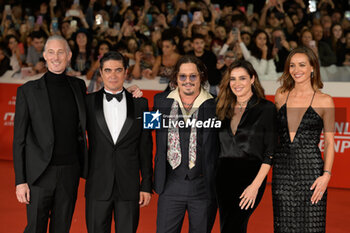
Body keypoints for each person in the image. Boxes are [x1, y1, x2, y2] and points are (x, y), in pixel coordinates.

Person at [13, 35, 88, 233]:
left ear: (69, 55)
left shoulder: (79, 86)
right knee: (35, 228)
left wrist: (128, 92)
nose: (56, 57)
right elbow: (19, 140)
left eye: (61, 52)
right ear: (44, 55)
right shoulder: (27, 91)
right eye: (51, 52)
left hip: (70, 172)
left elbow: (100, 103)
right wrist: (20, 181)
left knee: (61, 229)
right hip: (39, 175)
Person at [85, 51, 153, 233]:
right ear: (100, 72)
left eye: (118, 70)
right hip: (97, 186)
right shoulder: (87, 103)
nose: (113, 75)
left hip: (130, 187)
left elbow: (146, 147)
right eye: (108, 70)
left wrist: (146, 184)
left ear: (126, 72)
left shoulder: (142, 104)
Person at [153, 55, 219, 233]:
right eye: (183, 76)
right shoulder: (161, 101)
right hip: (170, 184)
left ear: (201, 77)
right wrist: (135, 97)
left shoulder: (216, 105)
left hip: (203, 186)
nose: (187, 81)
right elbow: (143, 130)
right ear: (176, 78)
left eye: (193, 76)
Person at [273, 46, 335, 232]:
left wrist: (326, 175)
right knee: (284, 226)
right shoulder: (280, 96)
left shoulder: (325, 101)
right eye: (292, 65)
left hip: (311, 173)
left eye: (301, 65)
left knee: (311, 227)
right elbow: (276, 135)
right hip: (282, 173)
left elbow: (330, 142)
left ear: (312, 68)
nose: (296, 70)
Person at [215, 60, 277, 233]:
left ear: (252, 79)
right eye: (232, 79)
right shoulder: (221, 108)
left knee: (232, 227)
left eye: (242, 78)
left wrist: (255, 186)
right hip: (222, 179)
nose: (237, 84)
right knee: (230, 227)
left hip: (250, 178)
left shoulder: (266, 108)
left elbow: (270, 151)